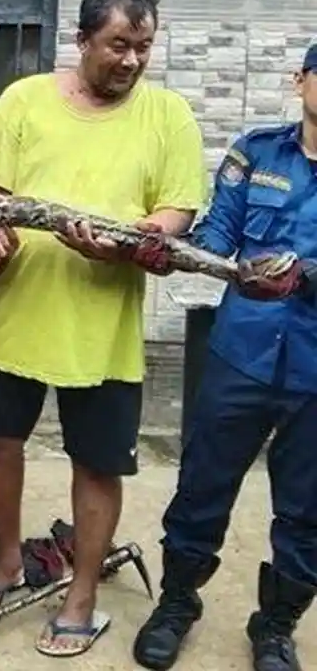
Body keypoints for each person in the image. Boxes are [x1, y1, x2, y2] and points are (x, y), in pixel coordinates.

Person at [0, 0, 209, 657]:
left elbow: (176, 214)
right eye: (118, 45)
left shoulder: (168, 116)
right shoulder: (24, 100)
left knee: (97, 464)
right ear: (83, 40)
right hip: (17, 315)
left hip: (103, 329)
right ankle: (7, 559)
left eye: (143, 47)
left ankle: (83, 591)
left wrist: (128, 238)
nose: (130, 60)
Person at [130, 44, 317, 671]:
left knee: (307, 509)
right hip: (240, 358)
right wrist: (172, 247)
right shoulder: (256, 152)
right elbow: (219, 237)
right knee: (201, 487)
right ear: (300, 81)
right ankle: (178, 603)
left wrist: (305, 277)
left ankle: (276, 626)